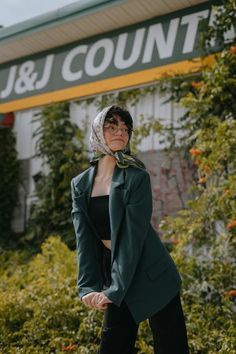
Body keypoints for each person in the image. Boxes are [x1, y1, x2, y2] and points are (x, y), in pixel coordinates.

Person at [71, 105, 189, 354]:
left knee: (171, 348)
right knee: (113, 347)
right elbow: (84, 239)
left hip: (152, 276)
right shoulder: (80, 185)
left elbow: (132, 240)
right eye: (111, 126)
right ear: (97, 132)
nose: (120, 132)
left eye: (125, 128)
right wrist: (87, 288)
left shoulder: (136, 177)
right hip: (118, 276)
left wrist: (114, 289)